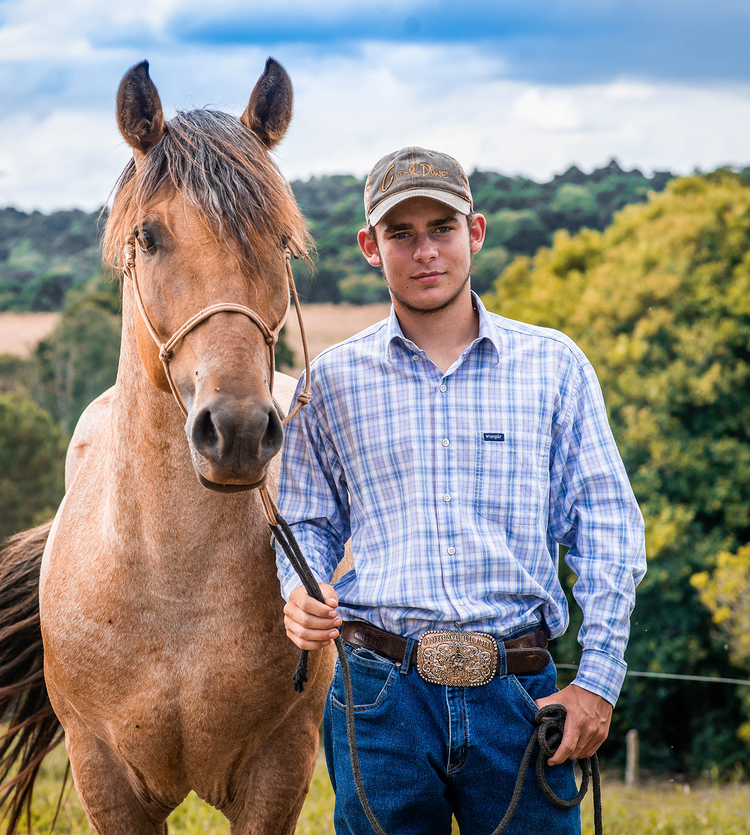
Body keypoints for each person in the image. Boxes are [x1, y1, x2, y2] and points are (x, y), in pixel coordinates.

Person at [275, 146, 646, 835]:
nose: (425, 252)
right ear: (369, 246)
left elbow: (607, 531)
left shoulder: (554, 367)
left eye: (441, 228)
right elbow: (305, 519)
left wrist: (598, 678)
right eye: (401, 233)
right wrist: (296, 590)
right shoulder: (328, 383)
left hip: (521, 694)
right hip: (379, 698)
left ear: (474, 232)